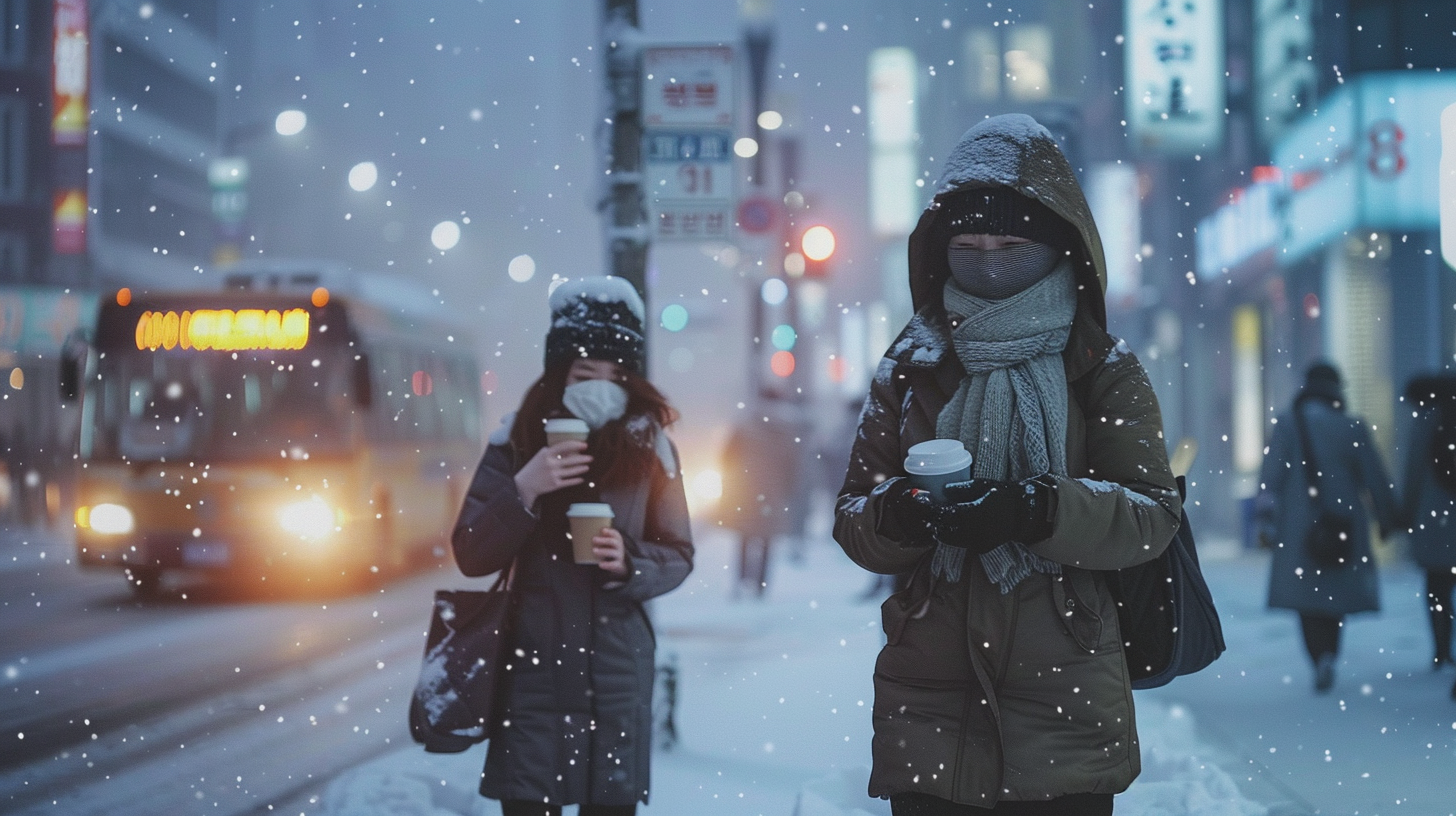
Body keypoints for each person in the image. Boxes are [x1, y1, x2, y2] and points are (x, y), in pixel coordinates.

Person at [833, 114, 1182, 815]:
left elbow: (1150, 513)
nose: (989, 259)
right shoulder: (912, 368)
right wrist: (903, 512)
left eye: (1012, 243)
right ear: (940, 252)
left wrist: (1037, 508)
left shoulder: (1099, 369)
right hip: (930, 698)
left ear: (1058, 250)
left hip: (1066, 693)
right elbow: (854, 519)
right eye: (969, 244)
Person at [451, 276, 694, 816]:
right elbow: (471, 552)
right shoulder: (515, 440)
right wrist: (525, 487)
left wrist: (630, 562)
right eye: (586, 373)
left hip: (615, 675)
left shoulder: (650, 447)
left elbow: (678, 552)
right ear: (560, 374)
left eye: (615, 375)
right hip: (532, 674)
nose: (600, 387)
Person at [1257, 362, 1399, 693]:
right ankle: (1330, 655)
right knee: (1334, 596)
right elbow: (1373, 476)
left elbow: (1271, 475)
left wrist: (1265, 518)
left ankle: (1316, 656)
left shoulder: (1288, 425)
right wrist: (1388, 517)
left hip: (1298, 525)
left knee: (1307, 601)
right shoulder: (1352, 427)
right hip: (1342, 522)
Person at [1399, 374, 1456, 698]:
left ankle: (1441, 647)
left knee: (1437, 587)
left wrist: (1405, 513)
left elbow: (1413, 471)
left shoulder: (1428, 422)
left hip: (1437, 519)